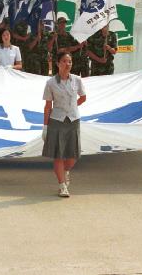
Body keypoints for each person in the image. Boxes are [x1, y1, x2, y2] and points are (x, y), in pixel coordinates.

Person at [42, 52, 86, 197]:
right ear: (58, 63)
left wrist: (73, 107)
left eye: (70, 62)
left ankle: (66, 172)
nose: (68, 64)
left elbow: (83, 97)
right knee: (59, 155)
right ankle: (62, 185)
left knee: (73, 156)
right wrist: (45, 126)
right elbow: (48, 106)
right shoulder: (51, 83)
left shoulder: (77, 80)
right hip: (57, 120)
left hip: (73, 120)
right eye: (64, 61)